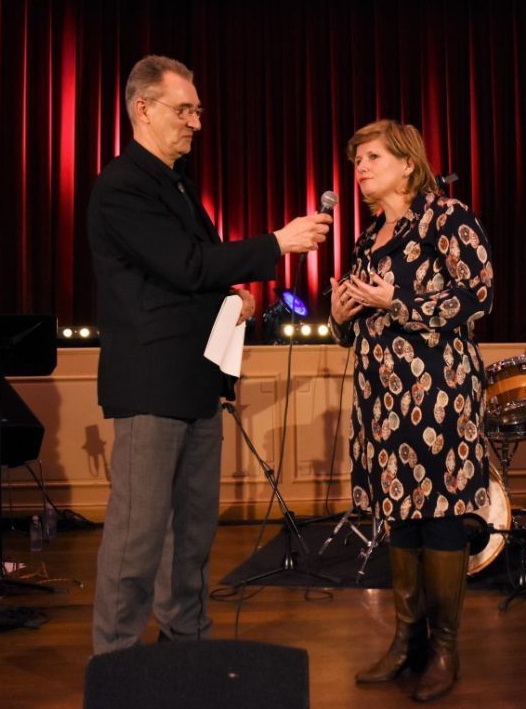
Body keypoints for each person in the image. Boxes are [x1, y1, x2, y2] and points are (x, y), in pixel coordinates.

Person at [87, 55, 330, 655]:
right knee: (138, 537)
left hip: (195, 381)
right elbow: (185, 265)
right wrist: (278, 242)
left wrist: (230, 296)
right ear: (143, 109)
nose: (196, 122)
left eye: (198, 110)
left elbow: (182, 277)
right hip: (151, 384)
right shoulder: (122, 186)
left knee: (193, 533)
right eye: (184, 110)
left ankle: (188, 648)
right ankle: (114, 664)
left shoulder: (176, 184)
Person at [329, 120, 494, 701]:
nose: (360, 168)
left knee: (440, 511)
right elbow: (355, 323)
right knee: (399, 513)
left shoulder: (447, 217)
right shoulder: (367, 239)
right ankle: (407, 642)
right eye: (356, 160)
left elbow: (478, 294)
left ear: (407, 163)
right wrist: (340, 318)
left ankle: (444, 648)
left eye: (372, 157)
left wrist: (396, 301)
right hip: (381, 397)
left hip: (439, 390)